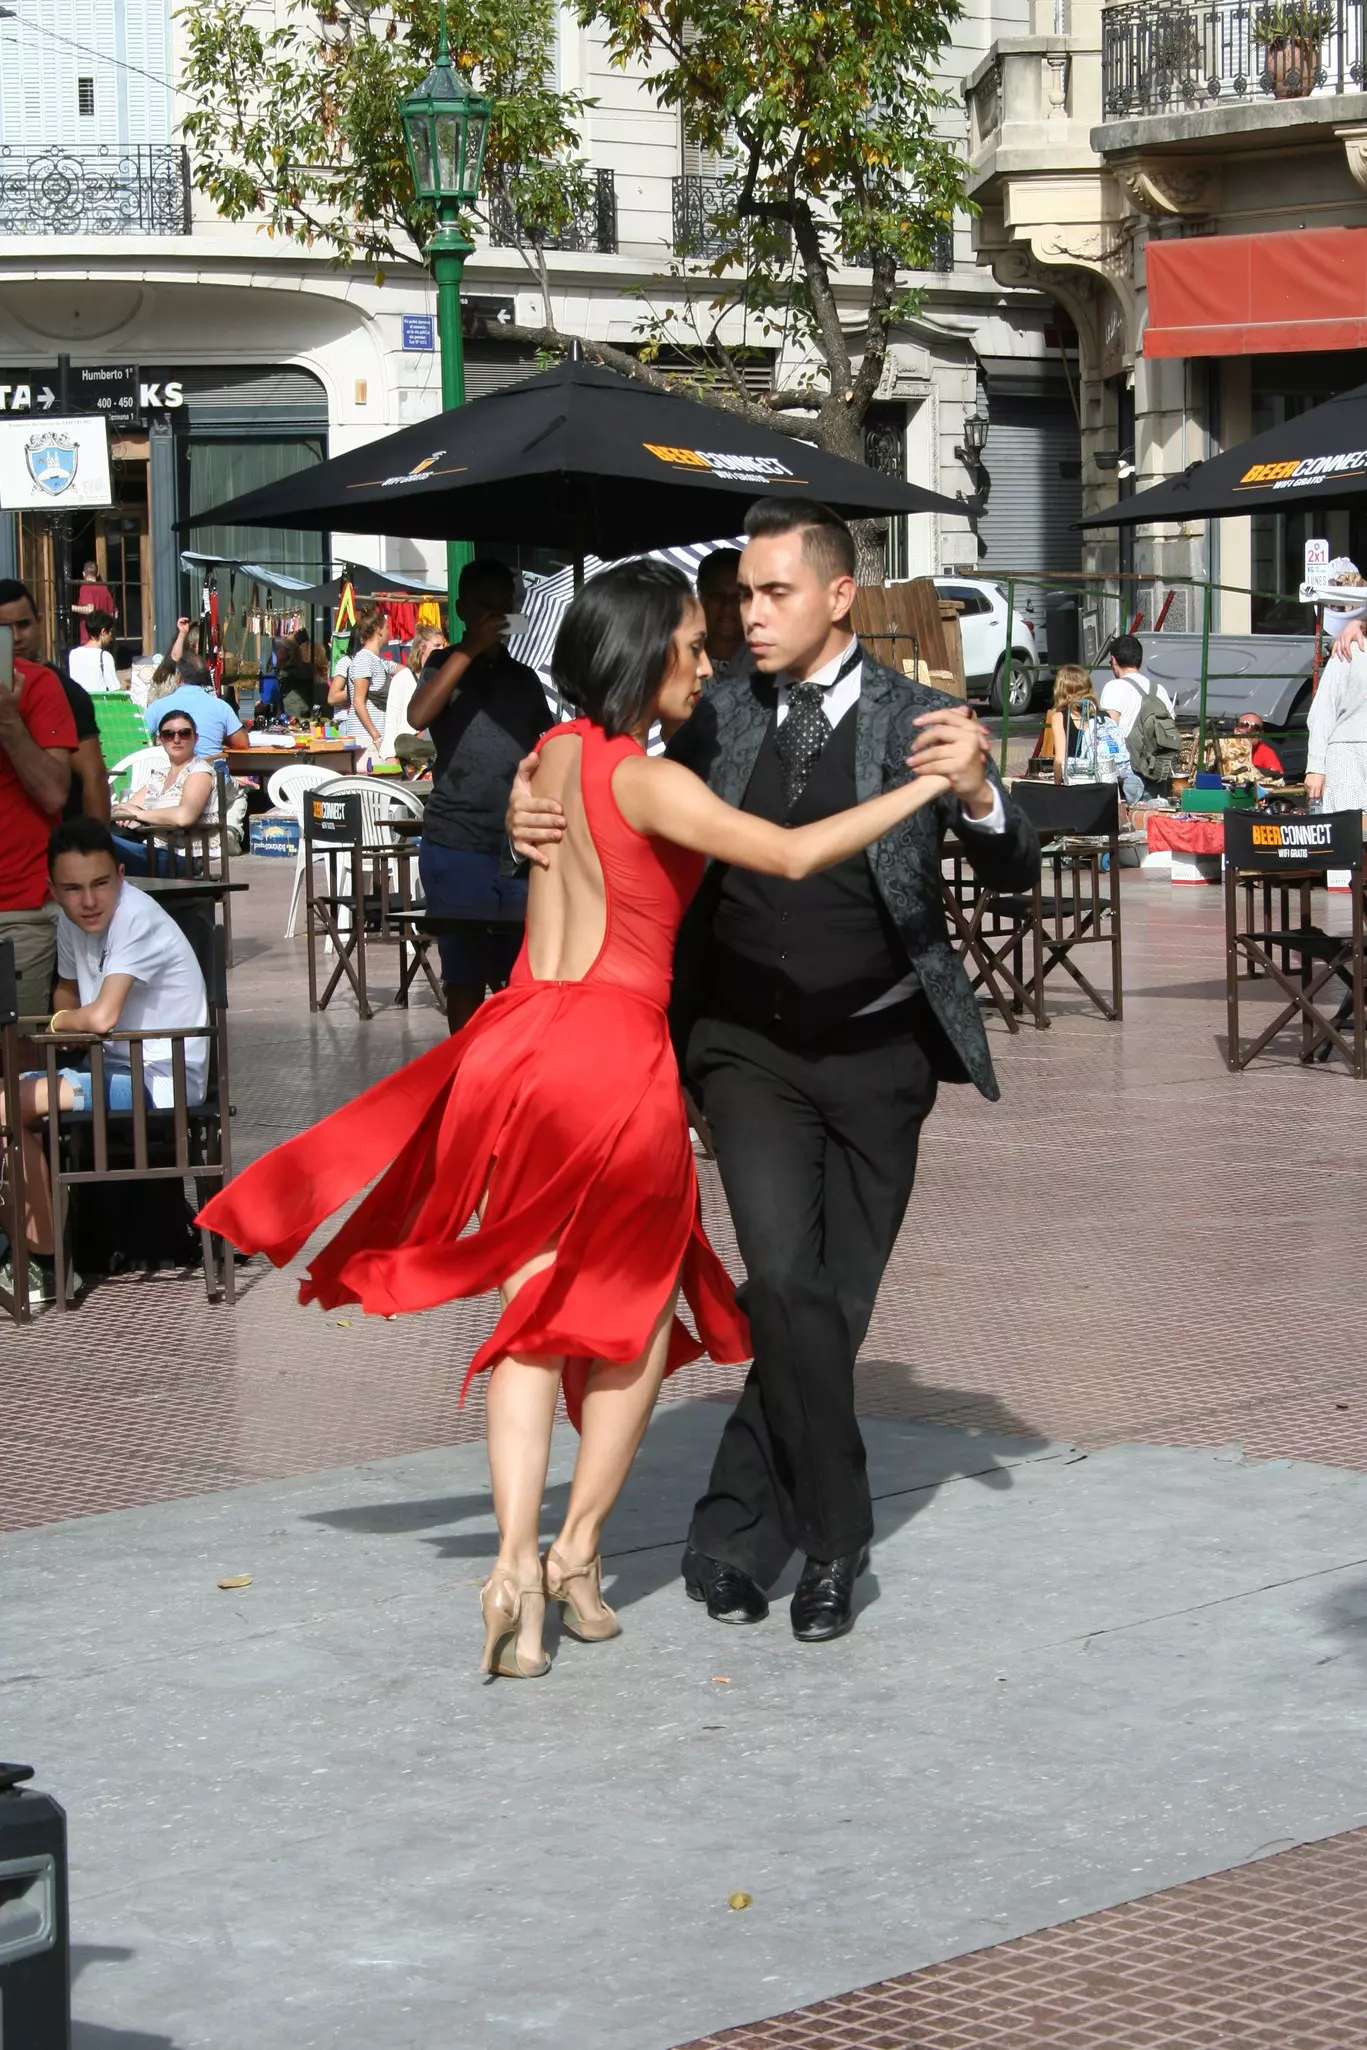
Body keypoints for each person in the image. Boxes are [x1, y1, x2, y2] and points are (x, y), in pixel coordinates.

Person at [198, 558, 959, 1680]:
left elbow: (550, 827)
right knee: (636, 1320)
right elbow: (793, 853)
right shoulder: (647, 782)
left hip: (514, 1040)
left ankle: (509, 1565)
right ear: (646, 654)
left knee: (529, 1310)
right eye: (691, 648)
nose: (704, 663)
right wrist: (922, 788)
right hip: (607, 1050)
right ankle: (577, 1554)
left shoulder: (551, 756)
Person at [510, 499, 1040, 1644]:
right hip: (744, 1050)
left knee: (826, 1308)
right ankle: (836, 1546)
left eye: (771, 594)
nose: (744, 617)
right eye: (740, 598)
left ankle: (733, 1523)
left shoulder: (922, 718)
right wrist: (525, 809)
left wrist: (982, 797)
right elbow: (596, 777)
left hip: (881, 1050)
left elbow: (1013, 873)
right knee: (785, 1284)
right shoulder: (707, 711)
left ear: (838, 595)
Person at [2, 817, 208, 1303]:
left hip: (161, 1078)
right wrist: (67, 1014)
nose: (89, 900)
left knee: (14, 1104)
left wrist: (57, 1025)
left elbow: (98, 1016)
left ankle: (49, 1264)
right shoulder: (71, 921)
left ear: (120, 874)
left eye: (100, 883)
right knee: (8, 1100)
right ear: (53, 888)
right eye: (72, 889)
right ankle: (37, 1252)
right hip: (112, 1068)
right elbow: (67, 993)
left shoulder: (135, 915)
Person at [409, 560, 554, 1033]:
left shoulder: (525, 679)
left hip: (514, 848)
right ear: (464, 609)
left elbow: (548, 745)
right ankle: (464, 1076)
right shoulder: (442, 664)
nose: (497, 616)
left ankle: (508, 1079)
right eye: (486, 606)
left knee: (517, 974)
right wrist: (469, 650)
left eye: (505, 606)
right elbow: (418, 715)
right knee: (464, 974)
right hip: (456, 841)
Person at [0, 611, 76, 1018]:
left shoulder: (38, 685)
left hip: (19, 909)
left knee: (13, 1060)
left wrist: (8, 719)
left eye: (22, 624)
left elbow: (53, 792)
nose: (12, 636)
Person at [0, 578, 109, 825]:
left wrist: (97, 851)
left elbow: (94, 776)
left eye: (23, 624)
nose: (16, 637)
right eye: (4, 629)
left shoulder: (66, 692)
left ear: (39, 623)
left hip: (58, 842)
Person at [111, 707, 220, 872]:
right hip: (149, 850)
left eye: (184, 733)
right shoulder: (160, 775)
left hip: (181, 860)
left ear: (195, 738)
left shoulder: (199, 771)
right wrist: (122, 813)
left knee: (103, 845)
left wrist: (139, 814)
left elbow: (184, 816)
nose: (176, 739)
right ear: (160, 739)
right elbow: (126, 809)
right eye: (169, 735)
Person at [1098, 634, 1178, 798]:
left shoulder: (1114, 688)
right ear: (1140, 660)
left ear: (1113, 660)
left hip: (1130, 775)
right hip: (1158, 774)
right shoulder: (1159, 690)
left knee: (1131, 822)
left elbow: (1109, 735)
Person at [149, 655, 249, 763]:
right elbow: (242, 743)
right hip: (213, 775)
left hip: (173, 775)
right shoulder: (221, 706)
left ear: (178, 676)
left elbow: (140, 743)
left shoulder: (157, 707)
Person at [1306, 644, 1367, 820]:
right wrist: (1315, 766)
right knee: (1347, 830)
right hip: (1348, 754)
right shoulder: (1350, 650)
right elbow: (1323, 711)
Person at [329, 604, 394, 758]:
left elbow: (403, 670)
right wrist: (361, 689)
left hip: (374, 734)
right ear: (378, 630)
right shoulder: (358, 660)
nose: (389, 632)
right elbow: (334, 697)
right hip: (361, 733)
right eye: (387, 628)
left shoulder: (380, 660)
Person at [379, 624, 443, 762]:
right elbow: (391, 719)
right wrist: (391, 756)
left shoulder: (440, 680)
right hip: (405, 754)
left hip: (432, 754)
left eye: (442, 645)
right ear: (422, 647)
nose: (442, 649)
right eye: (437, 645)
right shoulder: (403, 678)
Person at [697, 547, 745, 679]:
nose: (728, 605)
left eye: (738, 596)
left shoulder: (773, 667)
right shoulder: (682, 667)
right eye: (717, 595)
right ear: (701, 596)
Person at [68, 612, 120, 693]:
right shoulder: (104, 656)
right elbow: (115, 689)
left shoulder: (73, 654)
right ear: (103, 631)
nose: (111, 636)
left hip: (79, 702)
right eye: (110, 631)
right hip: (99, 703)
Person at [72, 559, 115, 642]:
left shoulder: (85, 587)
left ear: (83, 574)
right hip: (103, 637)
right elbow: (115, 613)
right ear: (97, 574)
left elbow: (89, 609)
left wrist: (71, 607)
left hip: (89, 638)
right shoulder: (104, 588)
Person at [1233, 711, 1284, 778]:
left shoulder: (1266, 752)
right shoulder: (1223, 748)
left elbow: (1278, 777)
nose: (1249, 730)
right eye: (1244, 725)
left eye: (1256, 728)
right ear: (1236, 730)